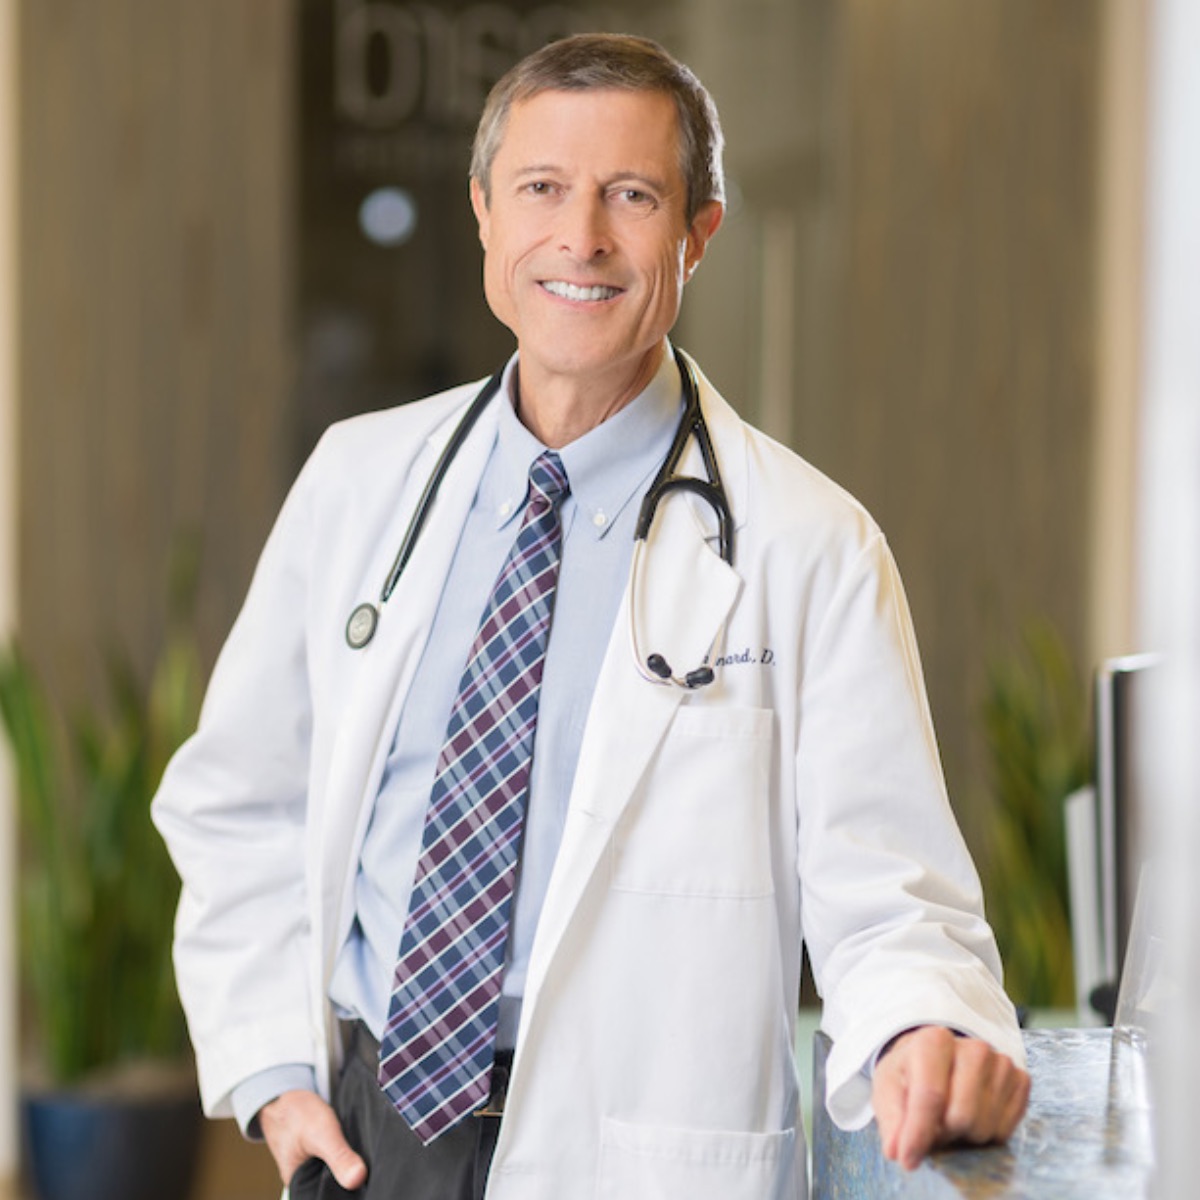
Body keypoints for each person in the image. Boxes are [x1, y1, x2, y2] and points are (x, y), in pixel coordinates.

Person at [152, 32, 1029, 1200]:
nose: (581, 239)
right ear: (483, 214)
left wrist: (928, 1028)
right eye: (542, 190)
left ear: (698, 233)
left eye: (631, 195)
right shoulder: (358, 483)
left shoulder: (813, 546)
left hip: (643, 1151)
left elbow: (891, 898)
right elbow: (238, 800)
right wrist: (272, 1072)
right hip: (373, 1136)